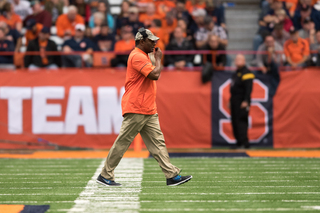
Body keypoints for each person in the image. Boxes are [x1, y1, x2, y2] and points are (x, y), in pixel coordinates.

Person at [96, 27, 192, 187]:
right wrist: (159, 59)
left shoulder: (143, 55)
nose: (155, 43)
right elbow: (154, 74)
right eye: (151, 40)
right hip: (136, 106)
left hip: (147, 107)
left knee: (158, 143)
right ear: (142, 41)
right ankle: (105, 175)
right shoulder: (137, 56)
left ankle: (172, 175)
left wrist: (154, 58)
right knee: (123, 142)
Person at [230, 54, 254, 149]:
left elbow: (248, 89)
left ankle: (244, 142)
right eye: (236, 59)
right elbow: (233, 89)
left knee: (241, 121)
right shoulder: (236, 73)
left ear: (244, 61)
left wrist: (246, 100)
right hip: (234, 100)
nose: (237, 61)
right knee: (235, 121)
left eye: (240, 59)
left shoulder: (247, 73)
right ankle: (238, 142)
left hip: (242, 100)